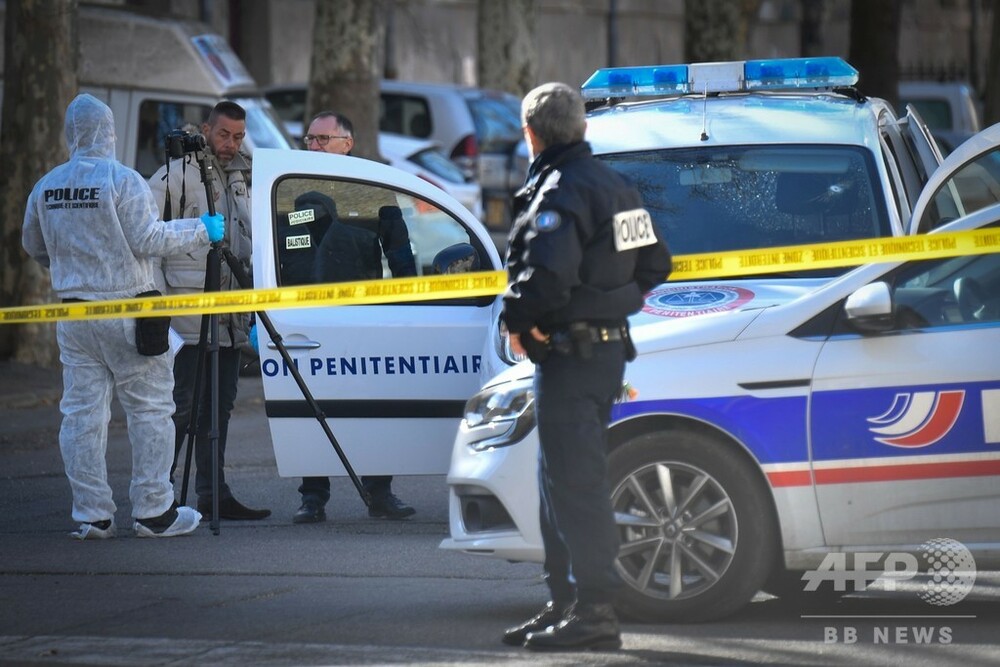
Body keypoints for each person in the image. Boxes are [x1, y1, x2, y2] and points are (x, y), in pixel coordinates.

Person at [499, 83, 672, 651]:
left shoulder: (561, 189)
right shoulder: (617, 186)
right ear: (584, 129)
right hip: (602, 353)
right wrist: (608, 303)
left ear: (532, 134)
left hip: (572, 357)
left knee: (574, 486)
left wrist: (519, 318)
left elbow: (547, 276)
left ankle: (594, 611)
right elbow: (655, 264)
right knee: (561, 484)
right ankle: (567, 602)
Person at [21, 93, 223, 539]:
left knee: (81, 416)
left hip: (75, 316)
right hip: (131, 309)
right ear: (110, 131)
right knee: (150, 410)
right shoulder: (122, 179)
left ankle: (92, 515)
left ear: (71, 133)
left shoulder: (47, 185)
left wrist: (76, 266)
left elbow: (33, 246)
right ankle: (154, 512)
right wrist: (200, 230)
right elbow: (148, 238)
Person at [290, 111, 416, 523]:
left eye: (323, 140)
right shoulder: (292, 188)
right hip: (309, 314)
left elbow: (399, 253)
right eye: (310, 139)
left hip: (366, 315)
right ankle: (312, 497)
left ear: (348, 143)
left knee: (374, 405)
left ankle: (379, 492)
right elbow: (281, 249)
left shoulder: (371, 188)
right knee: (311, 406)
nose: (314, 147)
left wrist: (411, 305)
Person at [148, 101, 270, 521]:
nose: (230, 144)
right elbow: (148, 242)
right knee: (181, 408)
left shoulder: (249, 175)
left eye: (238, 136)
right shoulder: (174, 175)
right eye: (223, 134)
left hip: (233, 313)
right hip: (188, 314)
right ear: (206, 129)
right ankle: (156, 495)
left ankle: (213, 494)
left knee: (219, 409)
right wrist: (156, 308)